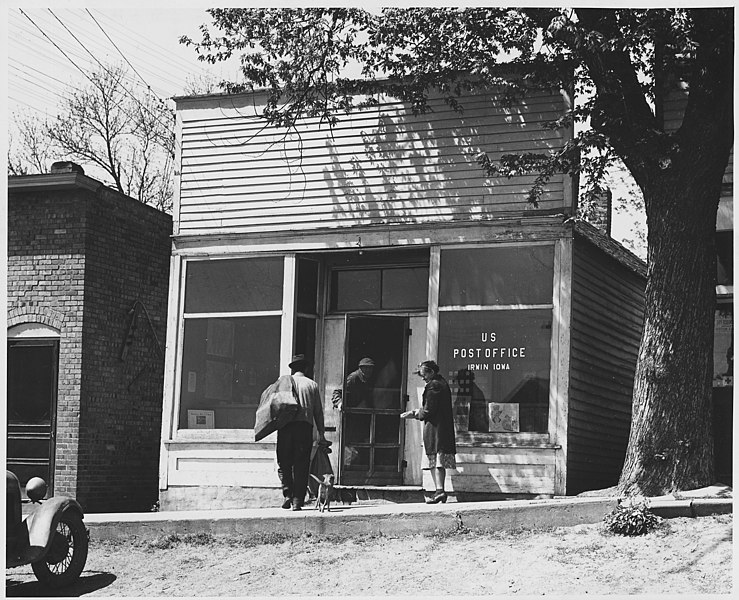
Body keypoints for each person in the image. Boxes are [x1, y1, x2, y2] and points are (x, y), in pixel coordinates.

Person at [402, 360, 456, 504]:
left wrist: (413, 413)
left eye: (424, 375)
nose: (423, 378)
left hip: (436, 428)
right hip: (441, 427)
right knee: (437, 458)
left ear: (431, 372)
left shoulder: (434, 386)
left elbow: (428, 410)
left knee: (436, 457)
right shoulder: (441, 383)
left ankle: (440, 491)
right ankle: (439, 491)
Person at [278, 354, 327, 511]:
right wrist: (321, 433)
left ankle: (287, 494)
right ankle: (298, 500)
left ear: (292, 368)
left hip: (285, 428)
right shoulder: (312, 385)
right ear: (306, 368)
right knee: (301, 464)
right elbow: (318, 412)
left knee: (284, 462)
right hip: (304, 428)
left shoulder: (283, 383)